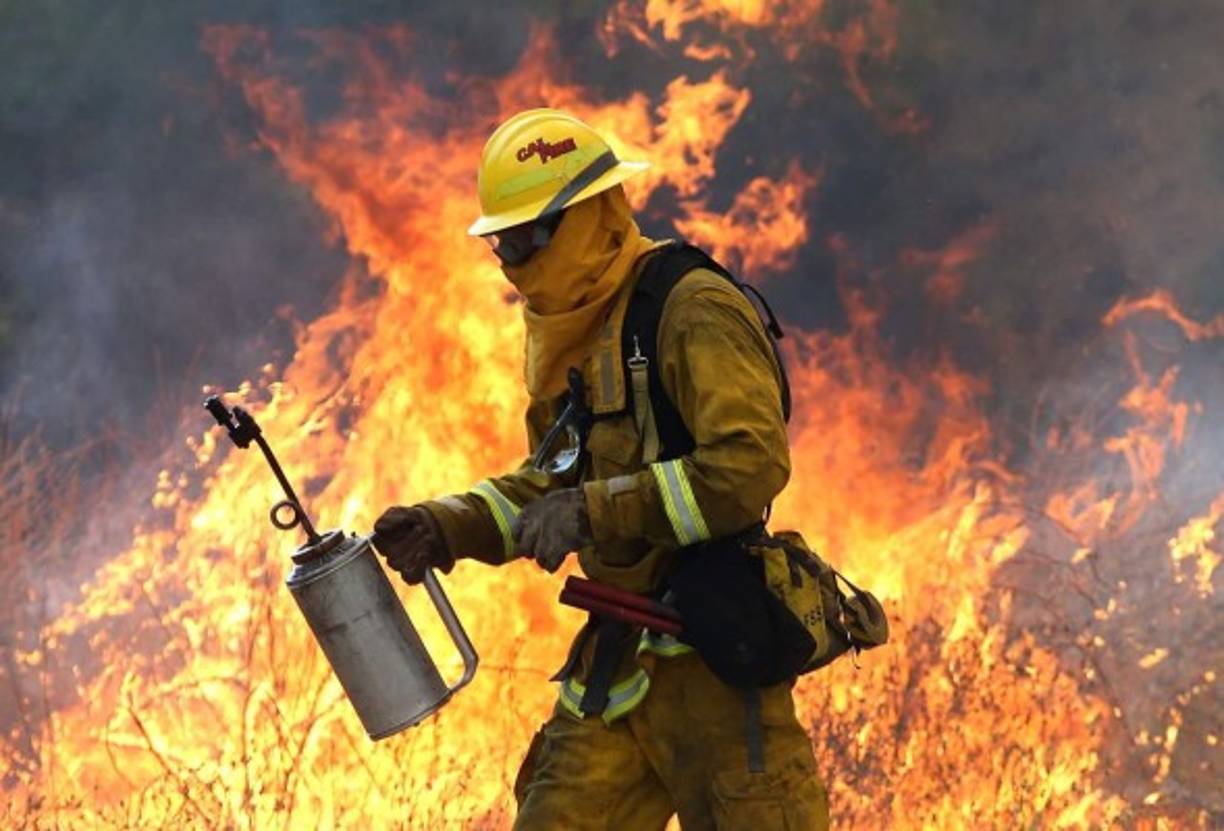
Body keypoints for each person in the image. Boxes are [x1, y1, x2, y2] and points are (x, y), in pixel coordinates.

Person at [372, 108, 829, 829]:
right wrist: (447, 524)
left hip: (714, 654)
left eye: (531, 235)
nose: (515, 261)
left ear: (591, 214)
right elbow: (550, 480)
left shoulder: (691, 308)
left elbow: (749, 466)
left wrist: (594, 512)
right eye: (503, 242)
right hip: (616, 671)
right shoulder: (574, 336)